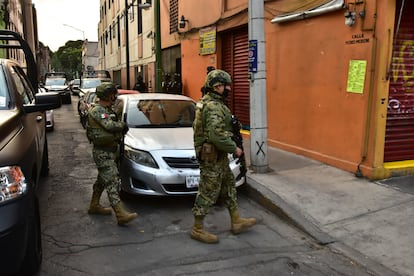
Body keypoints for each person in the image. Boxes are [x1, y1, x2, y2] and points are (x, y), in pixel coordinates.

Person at [191, 69, 256, 243]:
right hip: (211, 157)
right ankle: (197, 229)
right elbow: (215, 134)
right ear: (217, 86)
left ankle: (236, 221)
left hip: (217, 156)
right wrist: (234, 148)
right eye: (226, 85)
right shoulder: (213, 106)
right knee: (208, 191)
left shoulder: (211, 103)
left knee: (228, 186)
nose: (228, 88)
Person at [86, 82, 138, 226]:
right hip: (102, 152)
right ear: (106, 95)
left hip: (110, 150)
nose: (114, 96)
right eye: (112, 94)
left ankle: (94, 205)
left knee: (102, 180)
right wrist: (122, 125)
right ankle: (120, 214)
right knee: (112, 181)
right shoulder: (98, 111)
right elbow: (109, 126)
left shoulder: (108, 109)